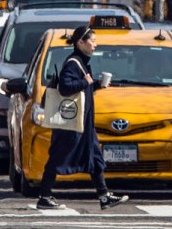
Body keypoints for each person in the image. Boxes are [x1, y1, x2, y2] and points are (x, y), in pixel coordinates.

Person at [37, 25, 129, 210]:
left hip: (84, 124)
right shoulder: (73, 62)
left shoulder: (81, 61)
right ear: (80, 42)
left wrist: (95, 85)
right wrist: (85, 82)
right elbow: (65, 87)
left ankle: (104, 196)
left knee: (95, 157)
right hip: (71, 124)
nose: (95, 45)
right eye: (92, 41)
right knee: (57, 157)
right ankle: (44, 197)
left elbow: (80, 90)